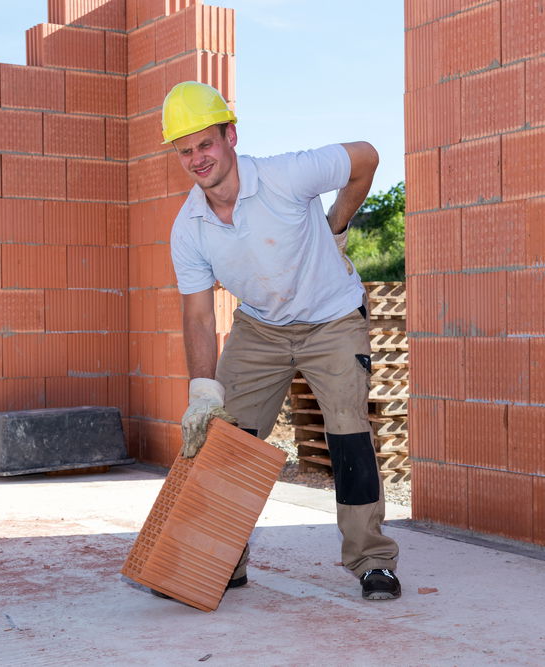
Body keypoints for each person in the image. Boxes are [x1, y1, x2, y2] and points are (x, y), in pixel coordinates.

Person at [162, 81, 401, 601]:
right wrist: (204, 390)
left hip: (331, 318)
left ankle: (371, 560)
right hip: (261, 328)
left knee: (347, 436)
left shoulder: (285, 175)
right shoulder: (190, 228)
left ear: (230, 135)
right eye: (185, 150)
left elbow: (367, 157)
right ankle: (225, 559)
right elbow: (199, 316)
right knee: (225, 440)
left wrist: (337, 221)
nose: (198, 159)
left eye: (206, 143)